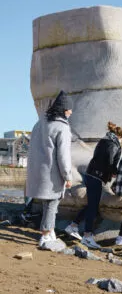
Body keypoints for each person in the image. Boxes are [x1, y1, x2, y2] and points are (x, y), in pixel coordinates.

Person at [65, 122, 122, 249]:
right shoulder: (113, 144)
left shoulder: (104, 141)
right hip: (96, 177)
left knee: (92, 205)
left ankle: (73, 226)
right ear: (120, 136)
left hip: (91, 175)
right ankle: (87, 236)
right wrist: (114, 171)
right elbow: (109, 160)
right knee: (93, 207)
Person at [26, 90, 72, 247]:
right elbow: (64, 156)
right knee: (52, 203)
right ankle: (45, 235)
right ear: (64, 110)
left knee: (47, 203)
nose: (71, 112)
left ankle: (50, 231)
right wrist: (67, 176)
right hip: (52, 173)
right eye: (69, 109)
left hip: (37, 171)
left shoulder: (39, 124)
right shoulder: (62, 127)